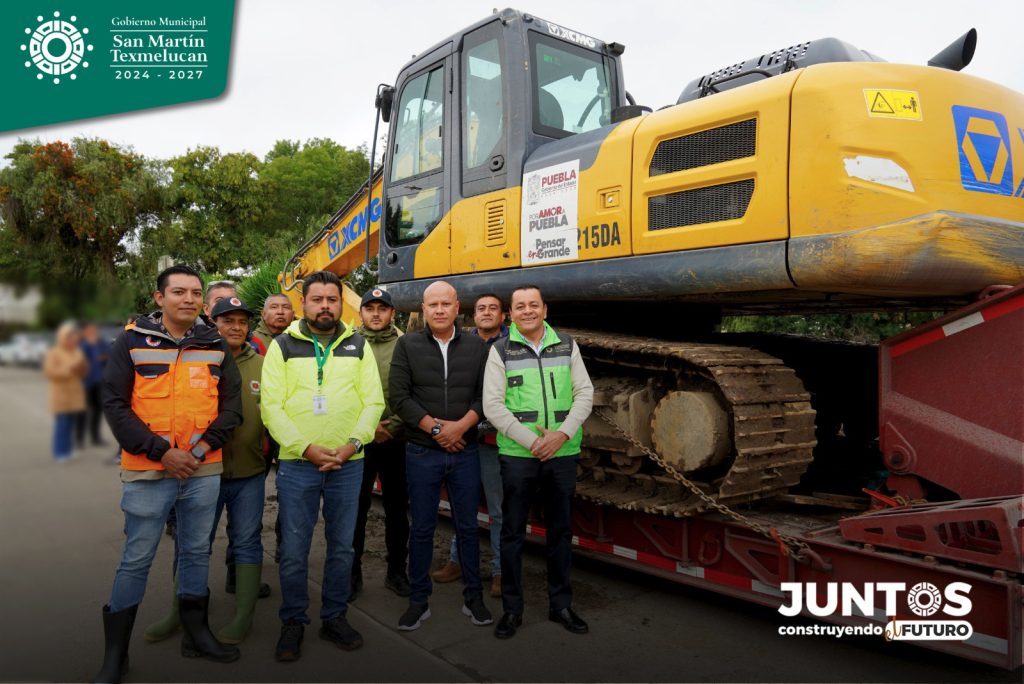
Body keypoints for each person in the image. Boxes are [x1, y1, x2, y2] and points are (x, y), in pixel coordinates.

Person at [95, 265, 243, 683]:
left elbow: (232, 408)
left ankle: (197, 635)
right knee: (136, 559)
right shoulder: (131, 342)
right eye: (179, 292)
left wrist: (195, 451)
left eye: (196, 293)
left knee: (197, 552)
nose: (189, 299)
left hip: (202, 469)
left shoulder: (215, 345)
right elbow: (114, 405)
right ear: (159, 298)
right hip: (147, 472)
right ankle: (116, 655)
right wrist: (163, 453)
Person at [260, 270, 384, 661]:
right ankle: (293, 621)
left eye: (332, 299)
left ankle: (334, 616)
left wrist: (351, 445)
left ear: (339, 304)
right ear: (305, 304)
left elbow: (373, 403)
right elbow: (271, 407)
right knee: (294, 549)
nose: (326, 306)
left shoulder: (358, 345)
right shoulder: (282, 346)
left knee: (342, 547)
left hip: (349, 464)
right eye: (318, 299)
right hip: (299, 464)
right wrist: (304, 447)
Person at [143, 296, 270, 647]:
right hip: (201, 471)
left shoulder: (266, 363)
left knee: (246, 542)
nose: (236, 327)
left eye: (242, 321)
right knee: (192, 545)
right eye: (227, 320)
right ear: (212, 324)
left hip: (249, 473)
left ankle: (243, 616)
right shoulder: (197, 358)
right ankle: (179, 612)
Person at [483, 285, 594, 639]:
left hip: (562, 453)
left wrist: (560, 435)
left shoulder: (567, 345)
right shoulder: (500, 350)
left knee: (560, 533)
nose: (527, 311)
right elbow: (493, 406)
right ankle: (512, 610)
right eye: (520, 306)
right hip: (518, 456)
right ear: (510, 314)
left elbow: (585, 393)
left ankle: (560, 604)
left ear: (544, 309)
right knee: (513, 532)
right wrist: (534, 442)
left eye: (533, 305)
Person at [389, 281, 493, 631]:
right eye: (432, 304)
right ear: (423, 308)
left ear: (456, 307)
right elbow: (399, 397)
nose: (438, 310)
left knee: (467, 527)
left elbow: (487, 396)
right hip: (422, 452)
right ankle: (419, 601)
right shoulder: (407, 345)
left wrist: (459, 428)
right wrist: (437, 430)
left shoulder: (478, 347)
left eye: (445, 304)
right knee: (421, 528)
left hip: (465, 452)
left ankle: (473, 598)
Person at [432, 294, 508, 598]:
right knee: (463, 507)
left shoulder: (511, 346)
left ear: (503, 316)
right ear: (472, 316)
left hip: (493, 442)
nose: (486, 313)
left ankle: (501, 571)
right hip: (463, 439)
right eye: (481, 309)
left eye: (493, 308)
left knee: (498, 510)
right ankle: (458, 560)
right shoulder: (461, 344)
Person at [351, 287, 411, 601]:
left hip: (397, 439)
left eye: (382, 308)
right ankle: (352, 572)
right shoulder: (348, 344)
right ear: (360, 312)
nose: (376, 314)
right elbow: (342, 391)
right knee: (356, 509)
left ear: (392, 313)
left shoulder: (405, 344)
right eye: (370, 308)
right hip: (358, 441)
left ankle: (397, 571)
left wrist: (395, 424)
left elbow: (411, 389)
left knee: (398, 509)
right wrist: (368, 427)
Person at [43, 321, 88, 462]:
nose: (72, 339)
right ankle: (59, 452)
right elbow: (50, 372)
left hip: (75, 393)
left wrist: (82, 367)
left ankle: (68, 450)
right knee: (61, 424)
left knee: (71, 424)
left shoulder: (77, 351)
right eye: (68, 336)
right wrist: (70, 369)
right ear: (62, 337)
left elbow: (83, 372)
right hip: (60, 394)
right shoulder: (53, 353)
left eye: (73, 336)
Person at [76, 321, 109, 448]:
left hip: (98, 381)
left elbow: (110, 353)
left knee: (97, 409)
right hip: (84, 382)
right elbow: (78, 359)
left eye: (95, 330)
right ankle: (79, 439)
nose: (93, 332)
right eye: (90, 330)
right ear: (84, 331)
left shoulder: (101, 343)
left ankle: (96, 437)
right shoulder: (82, 344)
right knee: (82, 410)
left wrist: (103, 357)